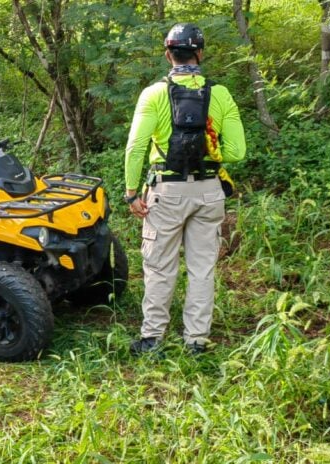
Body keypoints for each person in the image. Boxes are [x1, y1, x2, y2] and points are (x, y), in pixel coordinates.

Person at [124, 23, 246, 357]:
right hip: (209, 192)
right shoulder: (219, 94)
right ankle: (196, 341)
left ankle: (153, 339)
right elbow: (237, 152)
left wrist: (132, 193)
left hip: (167, 191)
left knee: (160, 267)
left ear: (168, 55)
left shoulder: (153, 94)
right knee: (202, 269)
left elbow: (135, 148)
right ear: (200, 54)